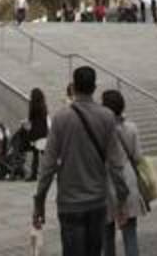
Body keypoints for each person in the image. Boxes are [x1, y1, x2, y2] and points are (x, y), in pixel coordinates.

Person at [34, 66, 130, 256]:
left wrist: (39, 202)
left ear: (74, 87)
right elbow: (116, 165)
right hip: (97, 201)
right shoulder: (107, 117)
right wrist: (122, 200)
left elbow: (48, 166)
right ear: (94, 87)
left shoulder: (61, 119)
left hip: (69, 203)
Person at [100, 89, 145, 256]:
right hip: (128, 182)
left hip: (106, 184)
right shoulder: (131, 128)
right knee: (130, 235)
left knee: (106, 237)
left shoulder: (100, 131)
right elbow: (138, 157)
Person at [28, 87, 50, 181]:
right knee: (45, 153)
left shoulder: (33, 106)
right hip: (43, 132)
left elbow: (30, 119)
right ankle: (49, 172)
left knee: (35, 155)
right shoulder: (43, 106)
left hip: (35, 132)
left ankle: (33, 174)